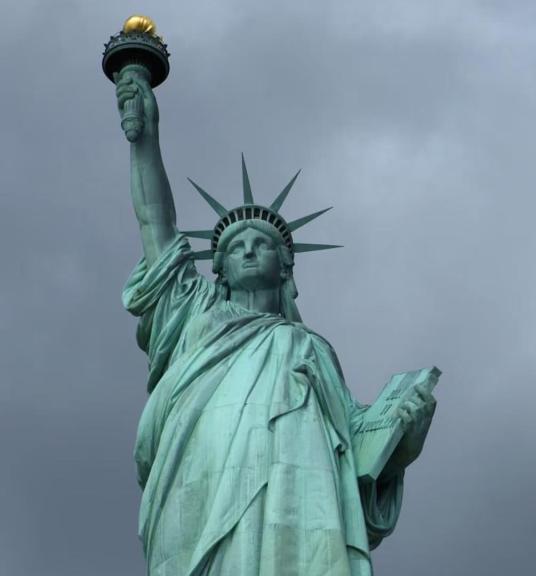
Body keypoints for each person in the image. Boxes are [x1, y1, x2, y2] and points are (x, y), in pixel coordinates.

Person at [114, 69, 436, 576]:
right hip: (198, 480)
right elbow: (155, 222)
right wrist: (145, 139)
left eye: (260, 244)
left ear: (285, 265)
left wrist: (402, 446)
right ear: (218, 270)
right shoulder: (193, 313)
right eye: (234, 247)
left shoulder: (310, 349)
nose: (247, 250)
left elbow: (354, 452)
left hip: (295, 499)